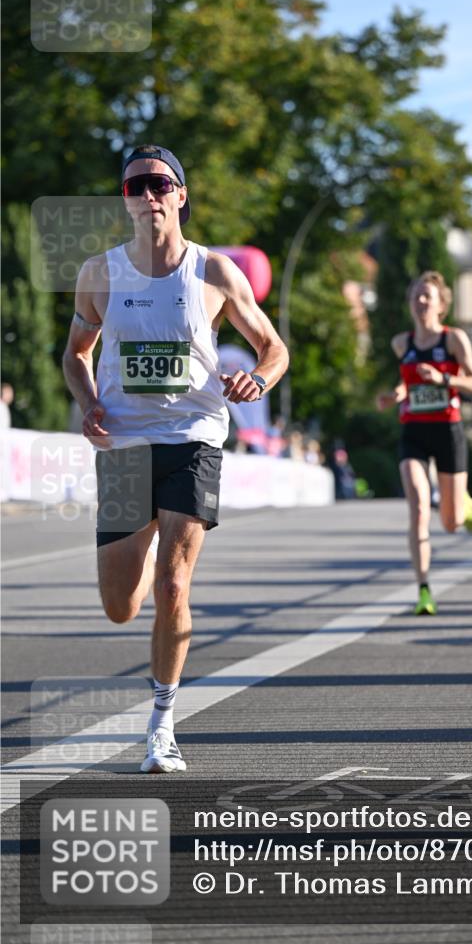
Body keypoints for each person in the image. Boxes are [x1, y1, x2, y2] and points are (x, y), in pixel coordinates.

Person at [62, 144, 288, 773]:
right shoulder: (99, 273)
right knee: (119, 605)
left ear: (181, 195)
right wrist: (88, 402)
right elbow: (76, 353)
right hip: (126, 445)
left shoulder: (214, 273)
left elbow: (274, 348)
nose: (149, 194)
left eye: (161, 183)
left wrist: (260, 382)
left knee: (173, 584)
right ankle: (149, 558)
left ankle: (162, 724)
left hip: (193, 436)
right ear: (126, 199)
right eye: (136, 185)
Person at [376, 271, 472, 616]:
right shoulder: (401, 344)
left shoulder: (453, 340)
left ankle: (464, 506)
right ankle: (424, 590)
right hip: (414, 432)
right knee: (419, 506)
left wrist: (444, 377)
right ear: (410, 303)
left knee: (451, 523)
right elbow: (407, 383)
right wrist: (397, 393)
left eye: (428, 296)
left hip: (448, 432)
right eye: (417, 296)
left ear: (441, 304)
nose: (422, 301)